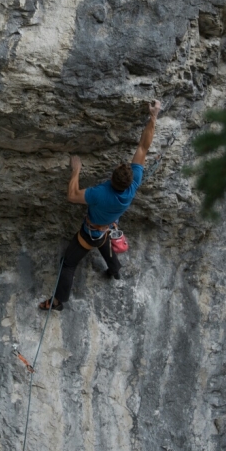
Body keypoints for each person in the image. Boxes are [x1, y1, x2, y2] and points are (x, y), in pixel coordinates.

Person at [39, 99, 162, 311]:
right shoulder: (134, 184)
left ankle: (58, 302)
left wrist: (76, 170)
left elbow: (72, 195)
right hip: (107, 227)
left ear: (112, 178)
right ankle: (115, 270)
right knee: (103, 241)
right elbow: (144, 146)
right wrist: (153, 116)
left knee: (67, 264)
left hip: (90, 233)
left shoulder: (100, 193)